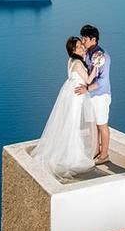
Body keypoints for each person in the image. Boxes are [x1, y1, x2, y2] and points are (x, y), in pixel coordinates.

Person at [31, 37, 99, 179]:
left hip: (70, 93)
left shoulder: (71, 60)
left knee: (69, 122)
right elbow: (88, 80)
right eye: (79, 46)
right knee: (74, 124)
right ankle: (73, 154)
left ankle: (69, 150)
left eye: (81, 45)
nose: (82, 47)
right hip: (77, 97)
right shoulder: (79, 64)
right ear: (73, 50)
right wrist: (97, 65)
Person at [75, 24, 111, 164]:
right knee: (94, 124)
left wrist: (87, 89)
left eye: (85, 38)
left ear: (93, 39)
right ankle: (96, 150)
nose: (82, 41)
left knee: (102, 125)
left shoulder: (102, 56)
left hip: (101, 95)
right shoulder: (89, 53)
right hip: (92, 95)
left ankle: (104, 154)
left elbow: (102, 81)